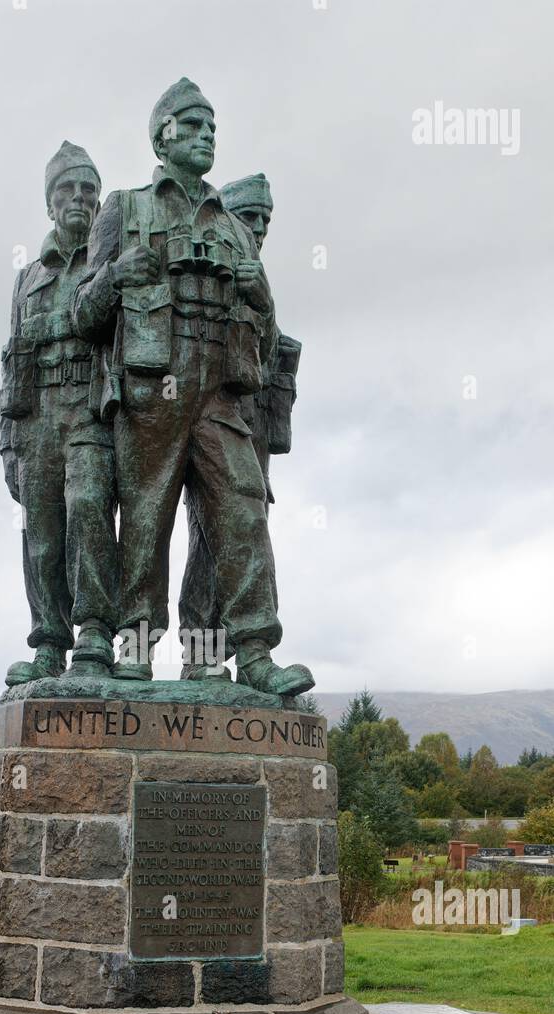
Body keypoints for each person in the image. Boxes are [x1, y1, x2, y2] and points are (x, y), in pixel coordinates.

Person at [73, 79, 312, 697]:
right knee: (147, 520)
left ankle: (251, 651)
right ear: (163, 135)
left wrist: (259, 289)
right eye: (194, 125)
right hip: (155, 389)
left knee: (242, 512)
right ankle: (134, 649)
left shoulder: (232, 225)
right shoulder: (123, 210)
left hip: (221, 393)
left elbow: (264, 322)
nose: (207, 136)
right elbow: (83, 315)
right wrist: (116, 277)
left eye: (212, 128)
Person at [0, 141, 118, 687]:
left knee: (90, 510)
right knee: (41, 531)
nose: (79, 198)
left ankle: (95, 631)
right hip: (37, 418)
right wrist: (8, 443)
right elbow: (12, 360)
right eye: (67, 189)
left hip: (90, 411)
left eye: (88, 189)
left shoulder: (109, 263)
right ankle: (49, 642)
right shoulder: (27, 277)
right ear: (50, 203)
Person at [178, 172, 302, 681]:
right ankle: (201, 654)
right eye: (250, 217)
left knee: (243, 531)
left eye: (265, 220)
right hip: (195, 418)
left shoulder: (257, 283)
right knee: (207, 541)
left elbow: (268, 355)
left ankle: (240, 650)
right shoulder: (207, 275)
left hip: (248, 436)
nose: (259, 228)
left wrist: (264, 301)